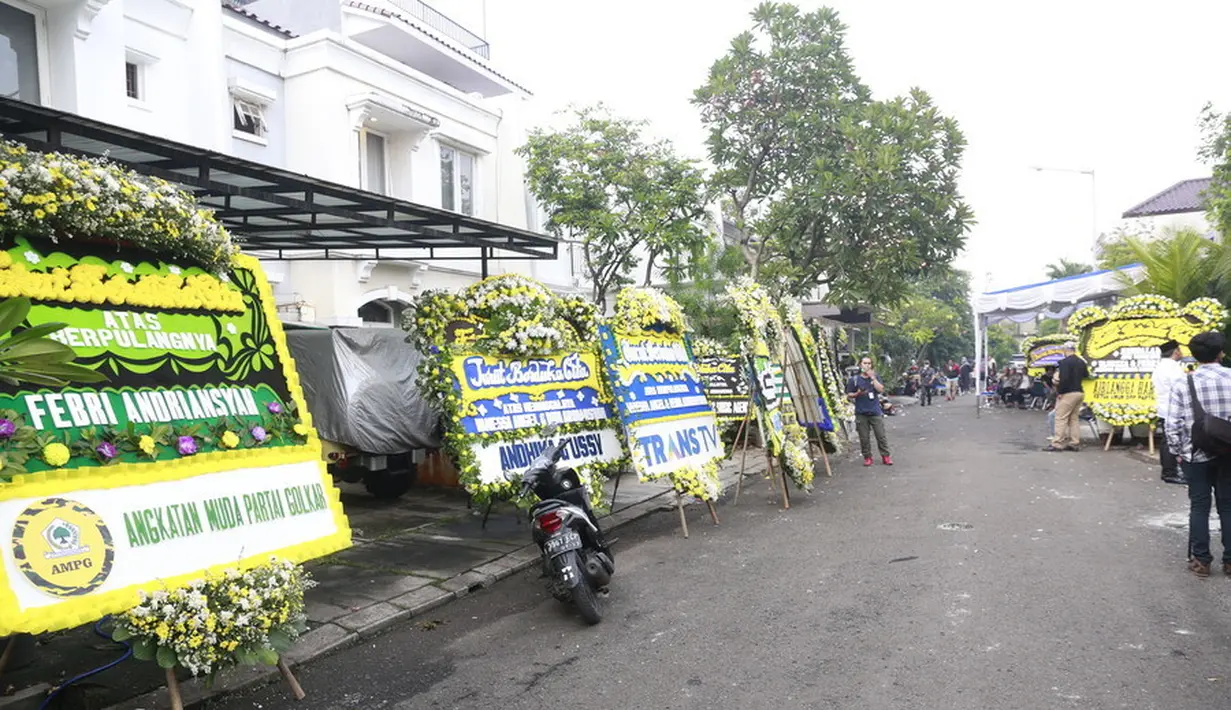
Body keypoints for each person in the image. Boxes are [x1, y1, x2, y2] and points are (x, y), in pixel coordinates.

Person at [1165, 331, 1231, 577]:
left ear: (1193, 356)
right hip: (1229, 453)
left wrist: (1179, 453)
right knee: (1228, 505)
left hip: (1196, 453)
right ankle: (1230, 561)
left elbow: (1173, 426)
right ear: (1221, 353)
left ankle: (1201, 560)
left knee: (1200, 505)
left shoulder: (1184, 382)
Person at [847, 355, 893, 467]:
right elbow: (849, 395)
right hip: (861, 412)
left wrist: (873, 378)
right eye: (864, 363)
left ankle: (885, 456)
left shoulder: (875, 377)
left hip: (875, 411)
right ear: (860, 365)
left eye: (869, 363)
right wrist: (857, 394)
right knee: (864, 437)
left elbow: (881, 389)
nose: (867, 365)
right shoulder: (854, 380)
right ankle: (867, 457)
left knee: (881, 435)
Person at [1153, 339, 1186, 485]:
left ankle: (1169, 470)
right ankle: (1169, 472)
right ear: (1176, 352)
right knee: (1170, 441)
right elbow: (1181, 387)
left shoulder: (1161, 366)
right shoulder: (1172, 368)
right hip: (1173, 409)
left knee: (1167, 440)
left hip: (1165, 407)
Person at [1044, 348, 1088, 452]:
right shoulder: (1081, 361)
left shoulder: (1064, 362)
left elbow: (1064, 378)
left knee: (1060, 418)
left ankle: (1057, 443)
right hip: (1079, 392)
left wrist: (1060, 392)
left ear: (1065, 350)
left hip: (1068, 393)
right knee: (1074, 419)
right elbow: (1086, 375)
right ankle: (1074, 443)